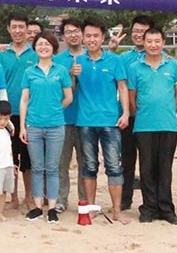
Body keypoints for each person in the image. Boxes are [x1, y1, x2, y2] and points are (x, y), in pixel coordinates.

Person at [127, 27, 177, 224]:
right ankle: (148, 208)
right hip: (144, 125)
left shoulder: (173, 65)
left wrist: (169, 111)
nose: (153, 45)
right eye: (149, 41)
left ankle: (166, 209)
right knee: (147, 169)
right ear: (143, 43)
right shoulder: (135, 67)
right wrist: (142, 113)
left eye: (157, 41)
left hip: (168, 125)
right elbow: (132, 96)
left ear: (163, 42)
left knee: (165, 169)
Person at [75, 19, 130, 224]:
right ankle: (90, 209)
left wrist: (125, 113)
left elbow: (122, 87)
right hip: (85, 121)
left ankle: (117, 211)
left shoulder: (114, 60)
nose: (92, 39)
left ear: (103, 37)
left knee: (114, 166)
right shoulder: (78, 62)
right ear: (83, 37)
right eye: (88, 36)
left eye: (95, 36)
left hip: (110, 121)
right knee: (89, 166)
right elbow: (69, 89)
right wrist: (72, 75)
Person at [19, 33, 73, 223]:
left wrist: (56, 109)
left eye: (47, 44)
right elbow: (24, 100)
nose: (43, 47)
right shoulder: (29, 72)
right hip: (33, 125)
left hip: (56, 126)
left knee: (52, 168)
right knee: (36, 168)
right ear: (35, 48)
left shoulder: (61, 71)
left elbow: (69, 97)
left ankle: (51, 208)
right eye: (40, 44)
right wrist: (22, 126)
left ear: (53, 47)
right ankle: (36, 207)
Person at [110, 14, 154, 211]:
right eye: (135, 31)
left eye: (143, 31)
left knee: (148, 162)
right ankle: (125, 199)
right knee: (126, 160)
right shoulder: (123, 57)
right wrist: (111, 49)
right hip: (126, 116)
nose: (138, 35)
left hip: (149, 117)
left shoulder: (158, 56)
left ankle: (150, 202)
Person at [0, 12, 38, 210]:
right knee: (9, 158)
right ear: (8, 29)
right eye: (14, 27)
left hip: (30, 114)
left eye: (22, 27)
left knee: (28, 159)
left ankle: (29, 196)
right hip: (6, 115)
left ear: (27, 29)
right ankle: (13, 197)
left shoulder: (36, 54)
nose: (18, 31)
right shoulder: (1, 55)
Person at [54, 18, 85, 211]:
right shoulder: (57, 61)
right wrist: (70, 74)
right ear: (63, 36)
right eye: (68, 32)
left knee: (85, 164)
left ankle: (84, 200)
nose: (73, 35)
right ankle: (60, 200)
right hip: (63, 119)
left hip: (86, 119)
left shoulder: (91, 57)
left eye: (76, 31)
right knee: (61, 163)